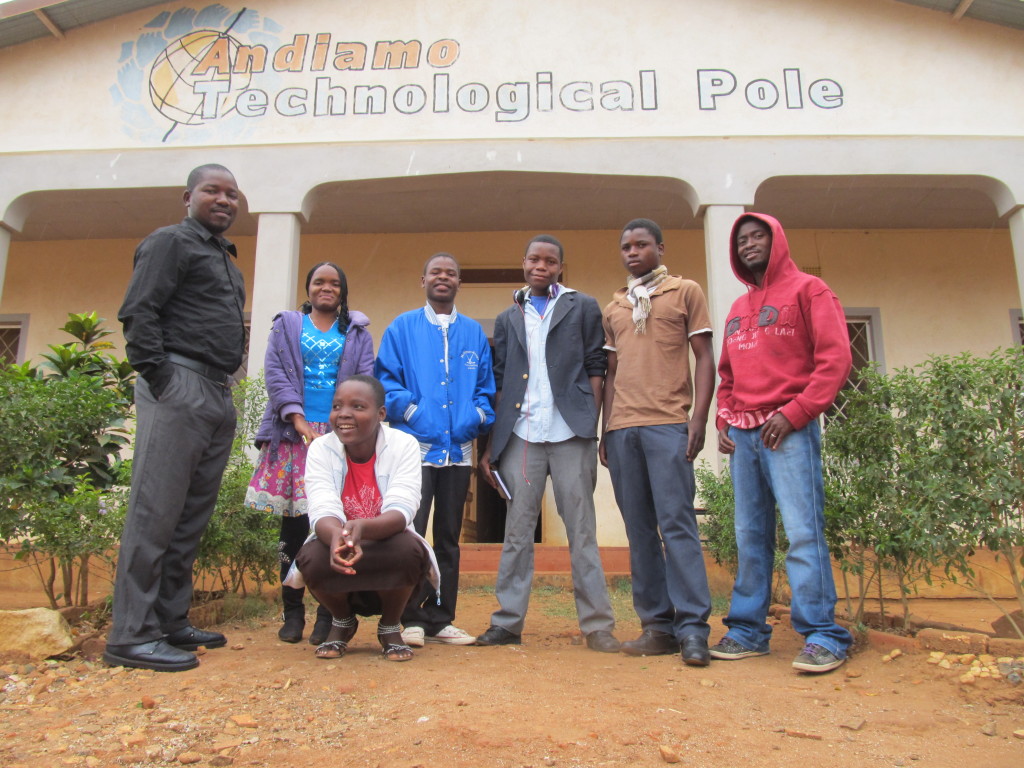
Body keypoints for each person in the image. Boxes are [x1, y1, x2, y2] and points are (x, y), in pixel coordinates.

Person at [105, 164, 246, 672]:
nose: (225, 200)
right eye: (213, 191)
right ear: (188, 196)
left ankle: (168, 621)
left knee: (188, 519)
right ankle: (131, 635)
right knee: (155, 512)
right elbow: (139, 311)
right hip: (179, 384)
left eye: (233, 194)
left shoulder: (228, 261)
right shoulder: (169, 242)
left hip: (215, 390)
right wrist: (161, 378)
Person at [711, 213, 853, 673]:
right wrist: (725, 418)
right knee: (749, 535)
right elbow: (727, 375)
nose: (749, 245)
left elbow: (835, 360)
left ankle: (823, 635)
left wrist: (794, 414)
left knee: (802, 532)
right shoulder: (738, 308)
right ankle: (748, 631)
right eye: (742, 240)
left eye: (758, 237)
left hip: (788, 430)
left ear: (778, 243)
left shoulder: (810, 290)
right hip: (746, 433)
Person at [476, 235, 619, 652]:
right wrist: (492, 445)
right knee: (517, 530)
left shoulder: (582, 306)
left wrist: (588, 420)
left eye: (550, 260)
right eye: (534, 259)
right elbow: (502, 381)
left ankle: (597, 626)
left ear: (560, 267)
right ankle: (507, 621)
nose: (541, 265)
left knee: (581, 528)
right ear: (523, 263)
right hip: (522, 434)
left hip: (570, 432)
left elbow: (597, 365)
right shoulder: (508, 317)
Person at [600, 218, 716, 666]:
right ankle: (657, 627)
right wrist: (605, 429)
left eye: (642, 244)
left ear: (660, 249)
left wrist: (699, 418)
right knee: (640, 531)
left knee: (677, 524)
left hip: (668, 424)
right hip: (623, 430)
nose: (632, 252)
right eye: (626, 245)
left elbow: (705, 356)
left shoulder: (685, 292)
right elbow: (610, 375)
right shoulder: (615, 306)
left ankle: (693, 630)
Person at [245, 262, 374, 645]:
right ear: (308, 287)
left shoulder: (357, 332)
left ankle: (327, 612)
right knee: (294, 528)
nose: (327, 288)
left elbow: (364, 380)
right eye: (319, 282)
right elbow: (275, 374)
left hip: (340, 438)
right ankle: (292, 610)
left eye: (335, 283)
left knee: (335, 526)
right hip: (292, 437)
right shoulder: (287, 326)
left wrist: (343, 427)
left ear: (343, 290)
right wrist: (300, 422)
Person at [374, 253, 495, 647]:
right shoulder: (401, 328)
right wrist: (415, 411)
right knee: (411, 532)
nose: (443, 278)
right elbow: (387, 384)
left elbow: (485, 391)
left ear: (459, 282)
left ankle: (441, 618)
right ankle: (408, 617)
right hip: (414, 450)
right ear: (422, 279)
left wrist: (473, 417)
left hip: (457, 453)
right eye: (436, 272)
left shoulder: (475, 333)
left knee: (448, 537)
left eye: (451, 273)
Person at [295, 375, 439, 662]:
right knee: (312, 556)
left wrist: (361, 528)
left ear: (381, 414)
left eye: (358, 406)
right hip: (341, 544)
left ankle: (389, 627)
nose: (344, 414)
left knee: (409, 551)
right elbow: (322, 508)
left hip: (384, 544)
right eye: (337, 406)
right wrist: (338, 537)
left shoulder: (404, 444)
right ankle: (342, 621)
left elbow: (402, 509)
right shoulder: (321, 448)